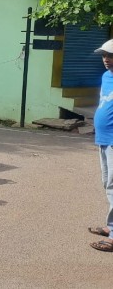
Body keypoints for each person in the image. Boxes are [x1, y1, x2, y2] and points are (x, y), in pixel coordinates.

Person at [90, 39, 113, 251]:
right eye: (104, 55)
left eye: (111, 55)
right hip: (104, 139)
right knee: (108, 184)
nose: (106, 59)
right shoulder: (106, 76)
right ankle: (111, 226)